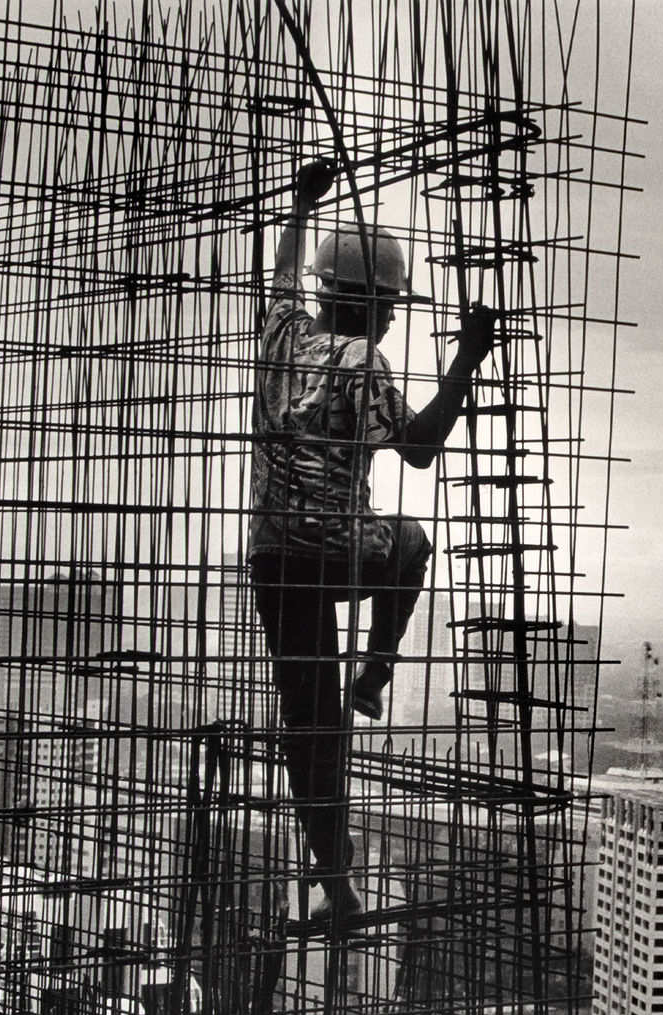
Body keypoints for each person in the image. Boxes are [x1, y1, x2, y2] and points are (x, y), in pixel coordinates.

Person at [250, 161, 494, 923]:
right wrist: (467, 357)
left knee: (309, 724)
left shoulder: (283, 335)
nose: (390, 321)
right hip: (337, 552)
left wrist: (300, 206)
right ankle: (377, 670)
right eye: (389, 307)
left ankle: (335, 878)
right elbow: (419, 446)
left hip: (273, 556)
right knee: (413, 542)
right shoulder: (364, 363)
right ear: (372, 305)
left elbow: (283, 273)